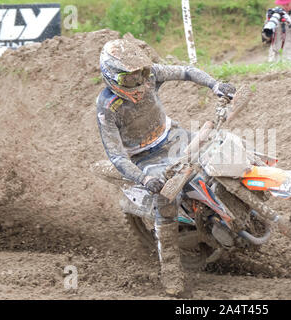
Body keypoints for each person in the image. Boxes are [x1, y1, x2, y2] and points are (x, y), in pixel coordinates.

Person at [96, 37, 236, 296]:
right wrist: (144, 179)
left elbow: (186, 71)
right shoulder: (107, 108)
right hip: (144, 158)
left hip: (173, 136)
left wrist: (215, 85)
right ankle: (171, 269)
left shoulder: (149, 76)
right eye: (129, 79)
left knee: (221, 151)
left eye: (141, 74)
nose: (138, 82)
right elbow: (116, 157)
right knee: (165, 198)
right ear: (112, 78)